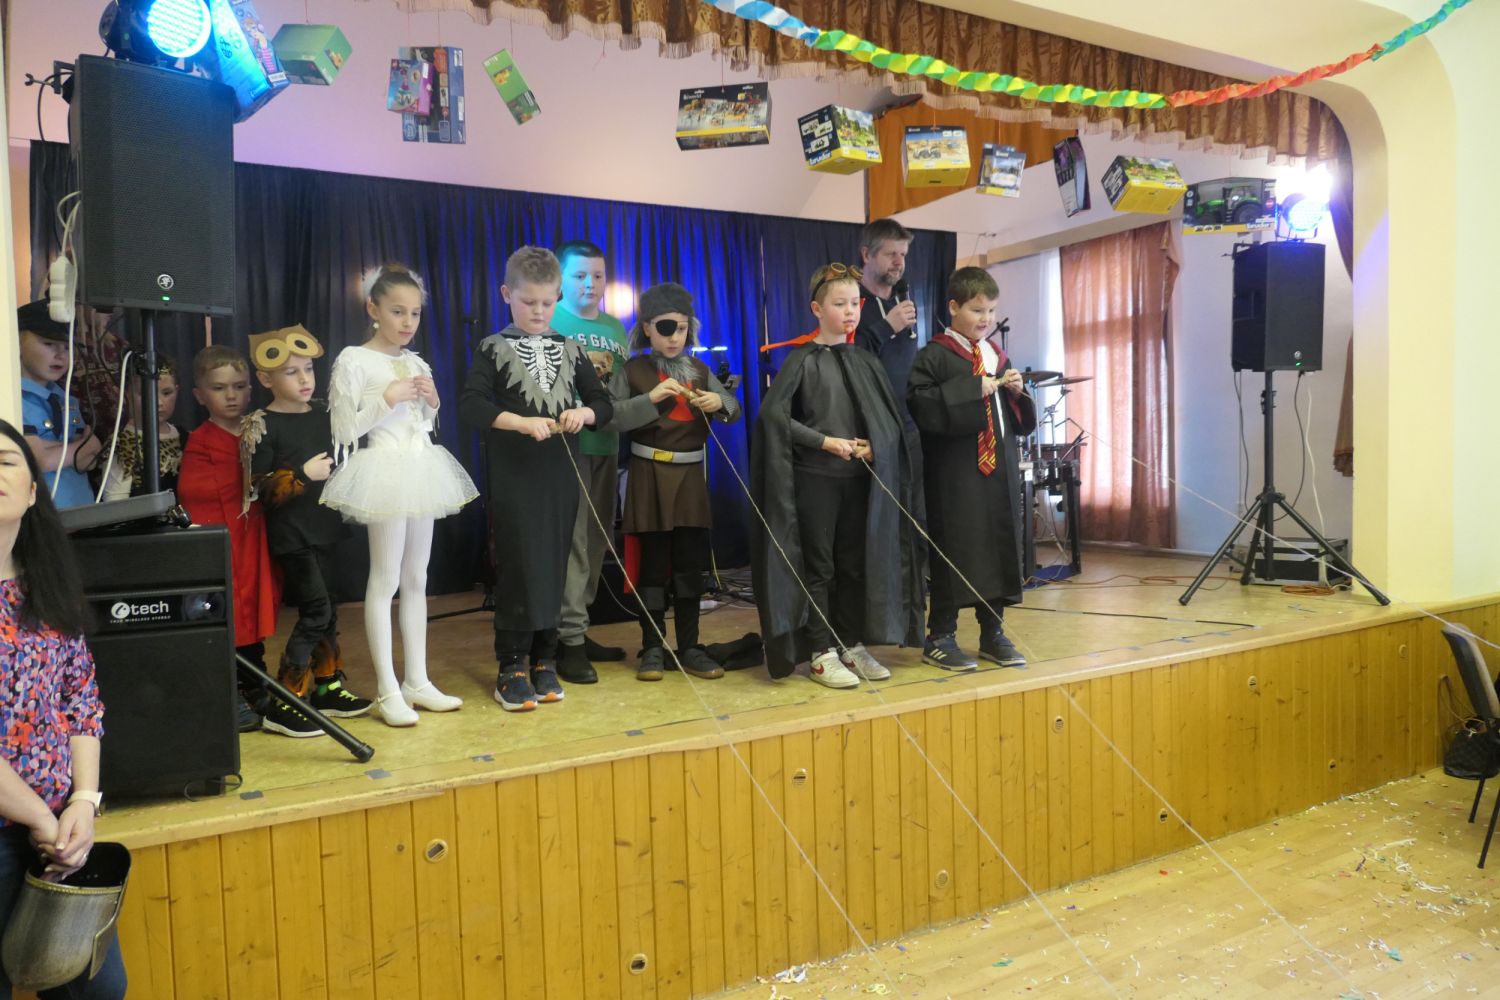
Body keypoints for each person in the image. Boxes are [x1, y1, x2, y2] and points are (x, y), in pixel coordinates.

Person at [0, 418, 126, 1000]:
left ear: (32, 491)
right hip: (34, 828)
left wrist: (83, 801)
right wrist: (42, 821)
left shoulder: (43, 586)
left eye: (5, 461)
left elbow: (82, 702)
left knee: (98, 992)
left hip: (60, 829)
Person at [750, 263, 923, 688]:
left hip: (857, 482)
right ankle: (820, 651)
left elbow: (888, 422)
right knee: (820, 568)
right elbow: (775, 420)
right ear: (816, 308)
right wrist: (824, 441)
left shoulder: (865, 361)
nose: (850, 312)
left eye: (855, 304)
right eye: (839, 304)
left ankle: (850, 643)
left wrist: (874, 445)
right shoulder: (800, 360)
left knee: (853, 566)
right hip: (815, 481)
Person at [322, 265, 478, 727]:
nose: (407, 322)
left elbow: (424, 424)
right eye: (397, 311)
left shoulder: (416, 362)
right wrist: (385, 399)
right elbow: (345, 431)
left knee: (416, 578)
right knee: (385, 578)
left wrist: (432, 400)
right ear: (373, 309)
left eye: (414, 313)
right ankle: (388, 689)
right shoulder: (354, 359)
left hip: (420, 465)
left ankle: (417, 680)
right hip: (384, 469)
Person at [459, 246, 612, 712]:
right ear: (507, 294)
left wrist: (584, 414)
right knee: (519, 565)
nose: (539, 312)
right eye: (528, 302)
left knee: (556, 564)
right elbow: (471, 405)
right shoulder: (492, 348)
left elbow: (602, 403)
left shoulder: (571, 349)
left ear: (558, 297)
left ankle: (546, 658)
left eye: (547, 302)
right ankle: (512, 663)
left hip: (560, 475)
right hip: (515, 477)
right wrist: (520, 423)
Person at [602, 282, 740, 681]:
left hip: (689, 478)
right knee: (652, 565)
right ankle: (652, 646)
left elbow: (733, 409)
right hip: (649, 475)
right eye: (665, 328)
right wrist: (651, 399)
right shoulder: (633, 371)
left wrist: (720, 402)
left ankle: (691, 646)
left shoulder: (700, 370)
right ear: (647, 328)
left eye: (682, 328)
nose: (674, 337)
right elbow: (610, 417)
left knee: (689, 566)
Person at [242, 325, 373, 736]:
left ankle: (328, 686)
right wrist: (301, 474)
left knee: (329, 609)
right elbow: (259, 489)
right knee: (316, 611)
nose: (303, 379)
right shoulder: (263, 424)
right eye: (291, 372)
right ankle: (286, 699)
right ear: (265, 379)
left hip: (325, 527)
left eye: (308, 370)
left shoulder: (323, 415)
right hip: (293, 536)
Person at [907, 266, 1036, 670]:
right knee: (955, 547)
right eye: (977, 310)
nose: (986, 319)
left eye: (991, 311)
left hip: (998, 468)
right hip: (955, 473)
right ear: (953, 307)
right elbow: (920, 404)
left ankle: (992, 632)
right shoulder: (934, 355)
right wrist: (969, 388)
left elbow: (1015, 418)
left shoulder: (995, 355)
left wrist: (1016, 392)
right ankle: (941, 634)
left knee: (998, 544)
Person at [177, 346, 281, 732]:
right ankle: (229, 691)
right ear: (199, 395)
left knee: (253, 606)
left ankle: (256, 683)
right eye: (219, 388)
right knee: (226, 608)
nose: (231, 396)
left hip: (253, 535)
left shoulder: (261, 428)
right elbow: (194, 492)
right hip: (221, 538)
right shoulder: (201, 440)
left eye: (239, 386)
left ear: (252, 388)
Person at [551, 239, 631, 683]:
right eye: (580, 275)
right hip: (569, 447)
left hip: (607, 444)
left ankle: (579, 628)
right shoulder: (552, 319)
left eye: (598, 275)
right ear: (561, 280)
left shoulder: (615, 327)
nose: (590, 283)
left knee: (599, 541)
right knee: (575, 543)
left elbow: (619, 390)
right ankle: (567, 640)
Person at [17, 301, 101, 509]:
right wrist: (85, 446)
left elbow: (89, 461)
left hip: (82, 511)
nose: (61, 355)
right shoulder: (12, 398)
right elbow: (39, 460)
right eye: (48, 344)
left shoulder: (66, 399)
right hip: (41, 517)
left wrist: (56, 451)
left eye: (67, 347)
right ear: (17, 343)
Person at [101, 356, 183, 501]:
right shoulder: (121, 443)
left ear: (177, 391)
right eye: (145, 393)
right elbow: (117, 502)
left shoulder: (184, 436)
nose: (158, 402)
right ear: (124, 394)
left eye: (166, 393)